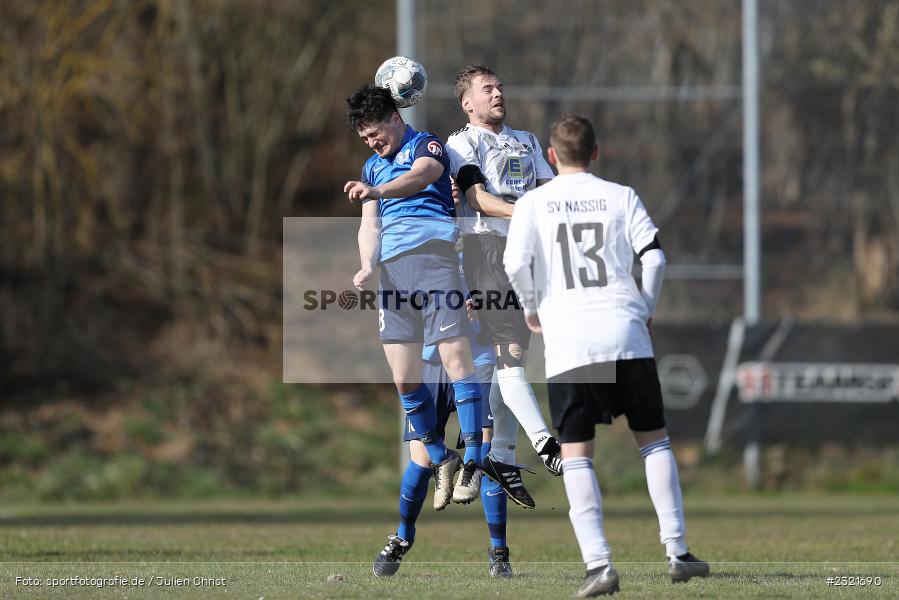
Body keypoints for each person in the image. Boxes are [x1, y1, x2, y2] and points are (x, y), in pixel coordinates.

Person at [503, 114, 710, 596]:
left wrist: (532, 309)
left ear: (551, 156)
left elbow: (514, 262)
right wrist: (646, 308)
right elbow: (654, 256)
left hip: (570, 339)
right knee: (653, 441)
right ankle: (678, 552)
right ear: (596, 152)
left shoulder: (533, 202)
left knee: (576, 454)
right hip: (625, 331)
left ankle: (599, 565)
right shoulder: (621, 196)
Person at [343, 86, 484, 534]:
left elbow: (422, 177)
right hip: (393, 275)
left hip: (434, 260)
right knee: (404, 378)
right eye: (364, 138)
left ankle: (474, 462)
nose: (371, 143)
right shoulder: (371, 167)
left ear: (394, 118)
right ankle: (443, 458)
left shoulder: (426, 145)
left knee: (455, 359)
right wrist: (367, 264)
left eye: (374, 133)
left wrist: (376, 189)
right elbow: (370, 224)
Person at [445, 64, 562, 509]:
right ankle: (545, 445)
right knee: (508, 357)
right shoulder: (462, 142)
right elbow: (476, 197)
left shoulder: (526, 140)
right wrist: (526, 213)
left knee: (509, 360)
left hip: (528, 256)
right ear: (467, 103)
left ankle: (501, 457)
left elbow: (549, 191)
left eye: (499, 87)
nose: (497, 94)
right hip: (488, 252)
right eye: (487, 89)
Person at [374, 314, 513, 578]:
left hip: (479, 361)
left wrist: (483, 302)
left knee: (487, 455)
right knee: (421, 461)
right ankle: (403, 536)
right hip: (431, 363)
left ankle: (499, 551)